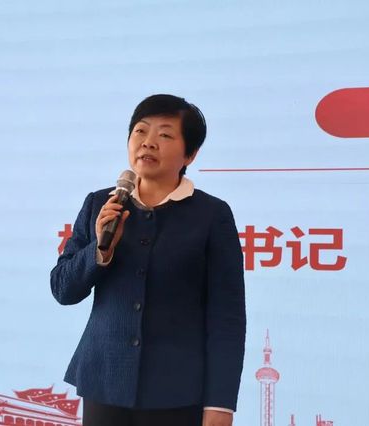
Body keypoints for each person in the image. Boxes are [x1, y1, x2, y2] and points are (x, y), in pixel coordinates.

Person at [50, 94, 246, 426]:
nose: (148, 142)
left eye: (165, 134)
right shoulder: (100, 204)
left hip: (177, 390)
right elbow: (63, 289)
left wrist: (220, 403)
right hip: (104, 383)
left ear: (190, 154)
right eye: (140, 131)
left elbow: (227, 317)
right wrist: (99, 250)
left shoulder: (212, 215)